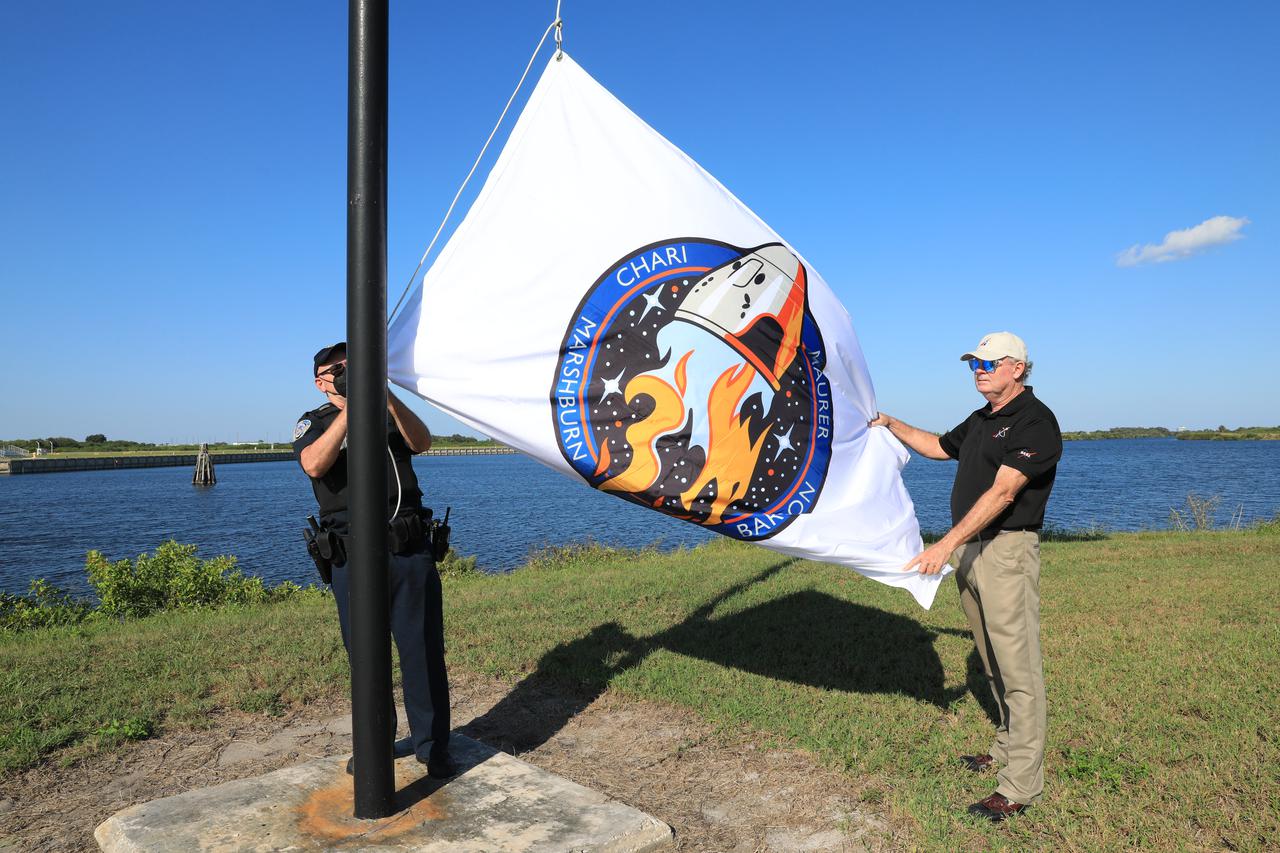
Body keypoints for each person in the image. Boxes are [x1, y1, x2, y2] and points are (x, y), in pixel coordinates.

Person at [869, 331, 1061, 822]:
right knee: (992, 658)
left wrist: (945, 544)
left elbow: (1002, 495)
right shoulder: (982, 420)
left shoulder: (1036, 423)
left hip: (1006, 552)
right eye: (973, 362)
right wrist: (891, 423)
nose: (979, 369)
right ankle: (1003, 747)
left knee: (1018, 668)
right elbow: (937, 446)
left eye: (989, 362)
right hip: (973, 554)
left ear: (1017, 367)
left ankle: (1020, 784)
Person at [293, 341, 455, 778]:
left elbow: (421, 442)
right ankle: (375, 746)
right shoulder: (314, 422)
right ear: (320, 380)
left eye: (353, 366)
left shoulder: (388, 411)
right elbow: (314, 464)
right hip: (351, 555)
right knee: (366, 657)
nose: (347, 372)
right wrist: (351, 407)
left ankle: (433, 745)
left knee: (422, 651)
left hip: (408, 547)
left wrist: (380, 392)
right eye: (338, 369)